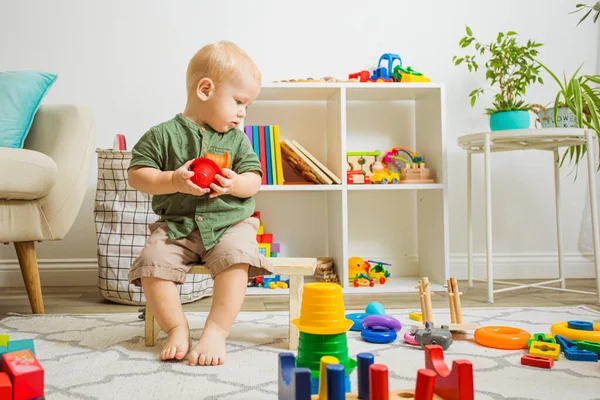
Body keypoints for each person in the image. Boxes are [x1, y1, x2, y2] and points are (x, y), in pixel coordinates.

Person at [126, 41, 271, 366]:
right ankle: (176, 329)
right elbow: (137, 175)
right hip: (177, 225)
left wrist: (236, 183)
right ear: (205, 89)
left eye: (246, 105)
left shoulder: (236, 139)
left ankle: (216, 331)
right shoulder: (162, 135)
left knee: (237, 260)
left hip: (228, 224)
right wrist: (173, 181)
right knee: (152, 263)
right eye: (238, 102)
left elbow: (255, 180)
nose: (242, 113)